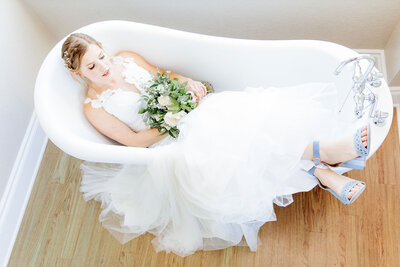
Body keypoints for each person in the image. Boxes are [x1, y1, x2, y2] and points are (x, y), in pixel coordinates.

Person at [62, 33, 369, 257]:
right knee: (233, 140)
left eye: (101, 56)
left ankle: (321, 168)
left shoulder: (126, 59)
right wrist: (173, 119)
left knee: (247, 119)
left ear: (104, 49)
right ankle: (322, 160)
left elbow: (163, 76)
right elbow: (132, 142)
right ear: (78, 74)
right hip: (167, 143)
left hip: (191, 113)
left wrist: (188, 86)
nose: (103, 67)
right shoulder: (94, 107)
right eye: (91, 67)